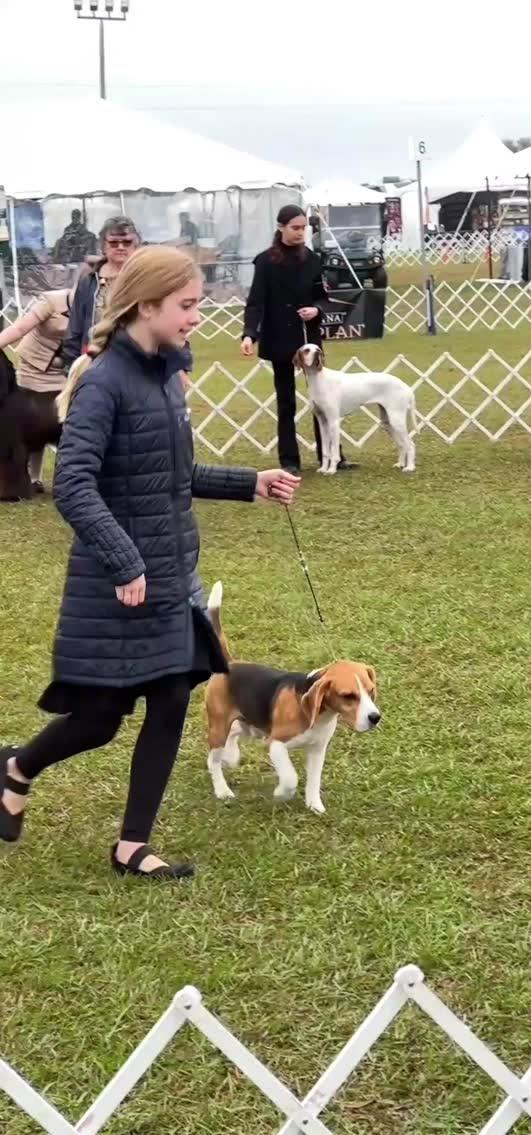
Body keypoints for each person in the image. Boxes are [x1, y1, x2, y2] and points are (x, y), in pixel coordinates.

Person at [0, 245, 299, 878]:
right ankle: (16, 767)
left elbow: (176, 474)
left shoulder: (164, 374)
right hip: (121, 582)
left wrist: (252, 483)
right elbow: (74, 484)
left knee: (170, 700)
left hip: (169, 574)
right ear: (147, 305)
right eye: (187, 305)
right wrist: (124, 563)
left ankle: (132, 845)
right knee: (100, 719)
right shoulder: (106, 381)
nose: (197, 316)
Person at [241, 204, 356, 475]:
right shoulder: (265, 262)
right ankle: (289, 461)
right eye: (295, 228)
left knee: (324, 397)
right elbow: (255, 302)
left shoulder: (312, 259)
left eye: (304, 227)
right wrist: (249, 333)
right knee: (286, 402)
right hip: (279, 337)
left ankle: (332, 456)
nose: (300, 233)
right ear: (281, 227)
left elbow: (322, 298)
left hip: (309, 339)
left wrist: (316, 309)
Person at [0, 288, 72, 491]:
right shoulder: (52, 301)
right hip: (35, 366)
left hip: (65, 367)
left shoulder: (95, 306)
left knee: (57, 423)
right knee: (28, 427)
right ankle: (33, 480)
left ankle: (67, 479)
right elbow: (20, 328)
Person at [62, 215, 141, 370]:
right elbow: (75, 329)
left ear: (135, 245)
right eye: (113, 243)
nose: (120, 247)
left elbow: (169, 323)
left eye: (127, 242)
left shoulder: (147, 278)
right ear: (103, 246)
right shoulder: (88, 281)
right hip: (94, 362)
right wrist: (71, 367)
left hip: (138, 362)